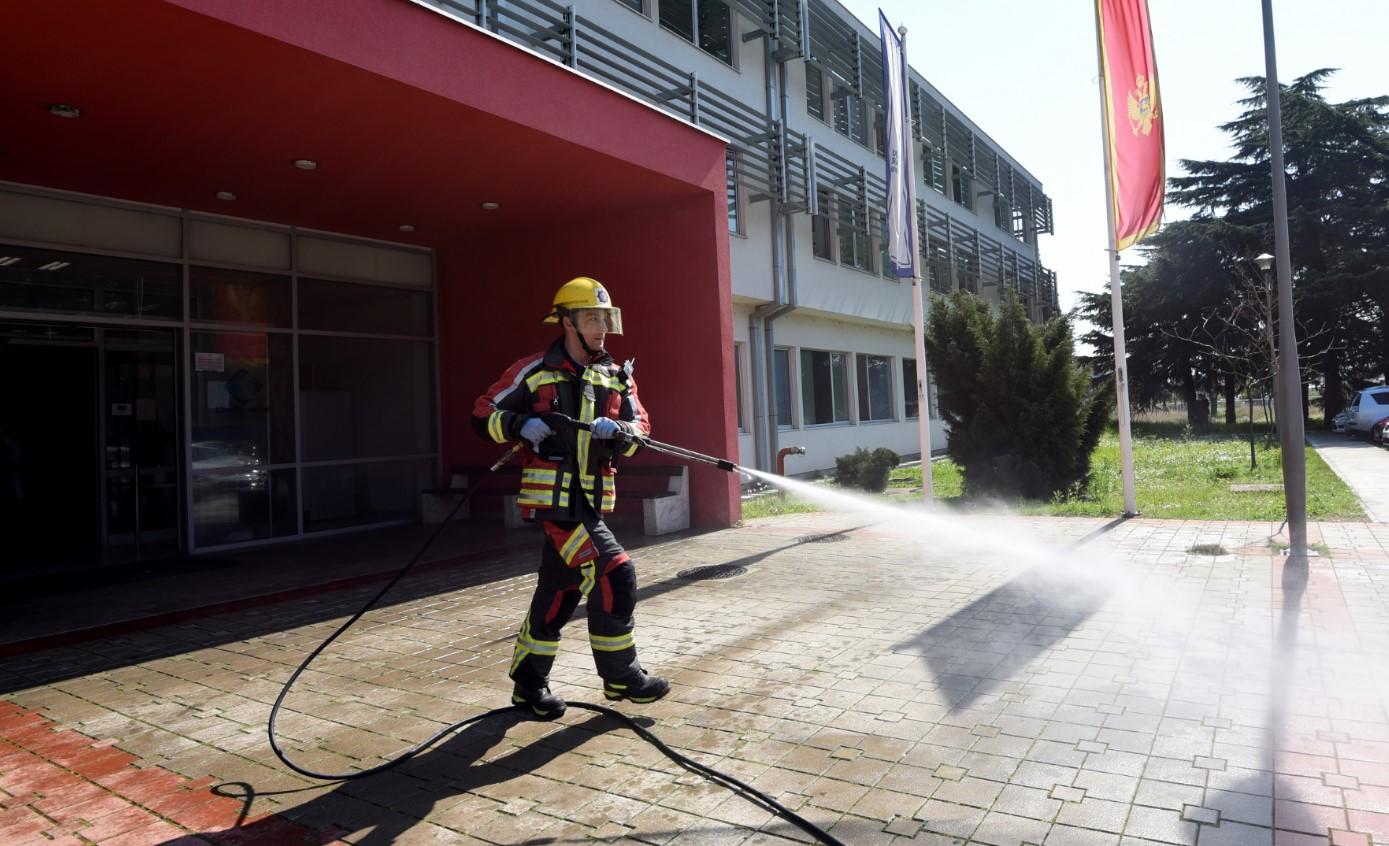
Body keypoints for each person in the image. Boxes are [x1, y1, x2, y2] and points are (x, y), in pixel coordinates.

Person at [472, 277, 670, 719]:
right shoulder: (533, 370)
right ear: (566, 322)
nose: (601, 327)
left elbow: (643, 435)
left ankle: (528, 684)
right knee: (616, 572)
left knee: (558, 593)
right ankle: (621, 676)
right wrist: (519, 423)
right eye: (590, 317)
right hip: (557, 506)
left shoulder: (618, 378)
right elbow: (483, 412)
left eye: (605, 317)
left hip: (591, 503)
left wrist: (622, 434)